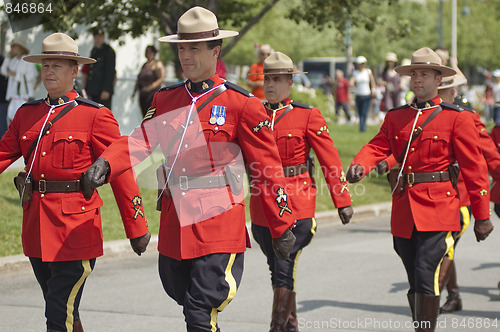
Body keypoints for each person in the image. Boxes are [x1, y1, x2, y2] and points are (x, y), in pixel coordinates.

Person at [84, 7, 296, 331]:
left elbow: (267, 168)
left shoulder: (242, 104)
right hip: (175, 221)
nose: (185, 54)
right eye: (182, 47)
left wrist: (281, 223)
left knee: (200, 308)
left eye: (194, 47)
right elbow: (140, 142)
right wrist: (107, 162)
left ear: (215, 50)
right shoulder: (166, 98)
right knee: (183, 296)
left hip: (218, 220)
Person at [0, 33, 151, 332]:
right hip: (36, 229)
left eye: (57, 65)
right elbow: (3, 153)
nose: (50, 72)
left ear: (75, 71)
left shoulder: (94, 115)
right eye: (46, 66)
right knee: (64, 310)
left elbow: (119, 167)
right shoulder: (27, 114)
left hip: (75, 232)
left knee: (58, 314)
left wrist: (137, 227)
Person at [346, 47, 493, 332]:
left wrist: (482, 215)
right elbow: (378, 146)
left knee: (426, 273)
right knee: (415, 278)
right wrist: (360, 166)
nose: (417, 79)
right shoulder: (396, 117)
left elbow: (475, 170)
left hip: (439, 209)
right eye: (414, 74)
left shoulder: (456, 118)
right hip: (405, 209)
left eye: (424, 74)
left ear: (439, 79)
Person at [250, 51, 353, 331]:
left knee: (284, 266)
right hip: (261, 204)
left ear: (290, 82)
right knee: (277, 268)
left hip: (297, 201)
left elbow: (329, 158)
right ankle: (291, 324)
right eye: (267, 79)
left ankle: (277, 326)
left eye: (278, 79)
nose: (271, 84)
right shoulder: (253, 114)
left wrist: (342, 200)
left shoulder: (306, 115)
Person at [0, 38, 38, 122]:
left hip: (24, 96)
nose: (12, 48)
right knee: (12, 122)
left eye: (14, 46)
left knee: (24, 121)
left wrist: (15, 74)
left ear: (20, 47)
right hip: (13, 97)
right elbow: (3, 70)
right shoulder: (13, 61)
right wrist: (8, 57)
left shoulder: (27, 60)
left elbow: (31, 76)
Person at [82, 28, 116, 109]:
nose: (98, 39)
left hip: (102, 90)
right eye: (96, 37)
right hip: (93, 89)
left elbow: (110, 72)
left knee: (103, 112)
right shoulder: (94, 50)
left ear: (104, 37)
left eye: (100, 37)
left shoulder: (109, 51)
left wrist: (106, 89)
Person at [132, 45, 165, 116]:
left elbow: (161, 78)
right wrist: (134, 92)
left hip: (152, 94)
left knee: (151, 115)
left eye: (148, 51)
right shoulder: (144, 65)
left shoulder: (157, 64)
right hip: (143, 94)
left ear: (153, 53)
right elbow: (139, 79)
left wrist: (150, 87)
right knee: (144, 114)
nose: (147, 53)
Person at [349, 55, 376, 132]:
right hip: (358, 94)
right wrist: (351, 84)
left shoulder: (368, 72)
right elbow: (352, 81)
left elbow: (372, 82)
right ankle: (361, 126)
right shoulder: (355, 73)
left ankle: (363, 127)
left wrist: (373, 90)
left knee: (364, 111)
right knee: (360, 112)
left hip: (366, 94)